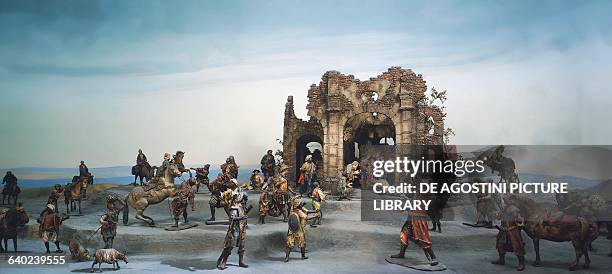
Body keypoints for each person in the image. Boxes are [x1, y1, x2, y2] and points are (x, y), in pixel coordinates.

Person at [391, 191, 439, 266]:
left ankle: (433, 258)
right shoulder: (418, 193)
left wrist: (406, 199)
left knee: (422, 239)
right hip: (411, 219)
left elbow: (416, 205)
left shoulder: (424, 194)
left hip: (418, 220)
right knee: (404, 234)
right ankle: (401, 253)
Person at [217, 190, 249, 270]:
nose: (245, 201)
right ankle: (223, 261)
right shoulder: (235, 207)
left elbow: (243, 216)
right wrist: (242, 218)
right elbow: (232, 218)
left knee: (242, 246)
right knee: (229, 246)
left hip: (242, 228)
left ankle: (241, 261)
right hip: (234, 229)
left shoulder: (242, 206)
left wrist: (244, 220)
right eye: (245, 199)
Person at [492, 199, 526, 271]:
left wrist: (519, 222)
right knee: (500, 245)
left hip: (512, 232)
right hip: (503, 230)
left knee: (517, 246)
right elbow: (501, 217)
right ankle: (501, 260)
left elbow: (519, 220)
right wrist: (497, 215)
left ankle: (521, 263)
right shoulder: (505, 208)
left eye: (507, 199)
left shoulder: (514, 209)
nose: (505, 200)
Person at [284, 198, 314, 262]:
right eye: (301, 203)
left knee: (289, 244)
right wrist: (315, 216)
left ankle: (287, 257)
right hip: (298, 230)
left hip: (291, 230)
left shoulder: (292, 210)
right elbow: (306, 217)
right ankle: (302, 256)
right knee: (302, 243)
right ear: (299, 204)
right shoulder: (299, 211)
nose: (302, 204)